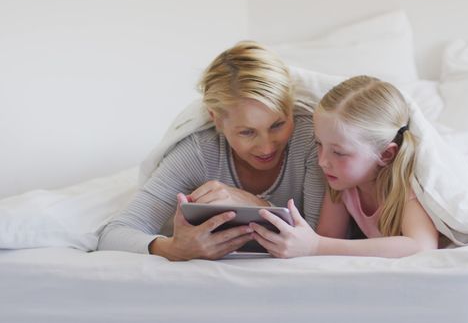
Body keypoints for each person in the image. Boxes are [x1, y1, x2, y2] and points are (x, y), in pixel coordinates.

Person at [98, 41, 325, 261]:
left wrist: (255, 204)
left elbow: (322, 237)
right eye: (247, 132)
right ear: (215, 119)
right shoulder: (200, 151)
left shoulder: (311, 139)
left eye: (277, 125)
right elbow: (115, 233)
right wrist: (174, 248)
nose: (267, 146)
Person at [250, 75, 439, 258]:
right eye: (318, 144)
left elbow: (421, 247)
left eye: (339, 153)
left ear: (385, 154)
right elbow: (329, 239)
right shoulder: (342, 185)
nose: (322, 161)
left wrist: (315, 246)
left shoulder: (405, 187)